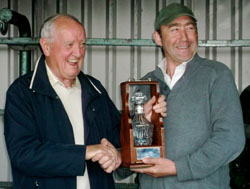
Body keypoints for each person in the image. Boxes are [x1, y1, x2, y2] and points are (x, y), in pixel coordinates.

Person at [4, 13, 166, 189]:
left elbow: (117, 140)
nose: (78, 53)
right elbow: (24, 154)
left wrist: (144, 121)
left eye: (82, 45)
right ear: (46, 46)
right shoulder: (22, 93)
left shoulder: (94, 88)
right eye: (69, 45)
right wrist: (86, 152)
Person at [130, 3, 245, 188]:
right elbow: (133, 149)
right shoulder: (144, 85)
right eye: (174, 29)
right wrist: (143, 122)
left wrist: (178, 168)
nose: (184, 38)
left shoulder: (216, 75)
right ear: (158, 38)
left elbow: (231, 139)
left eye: (190, 28)